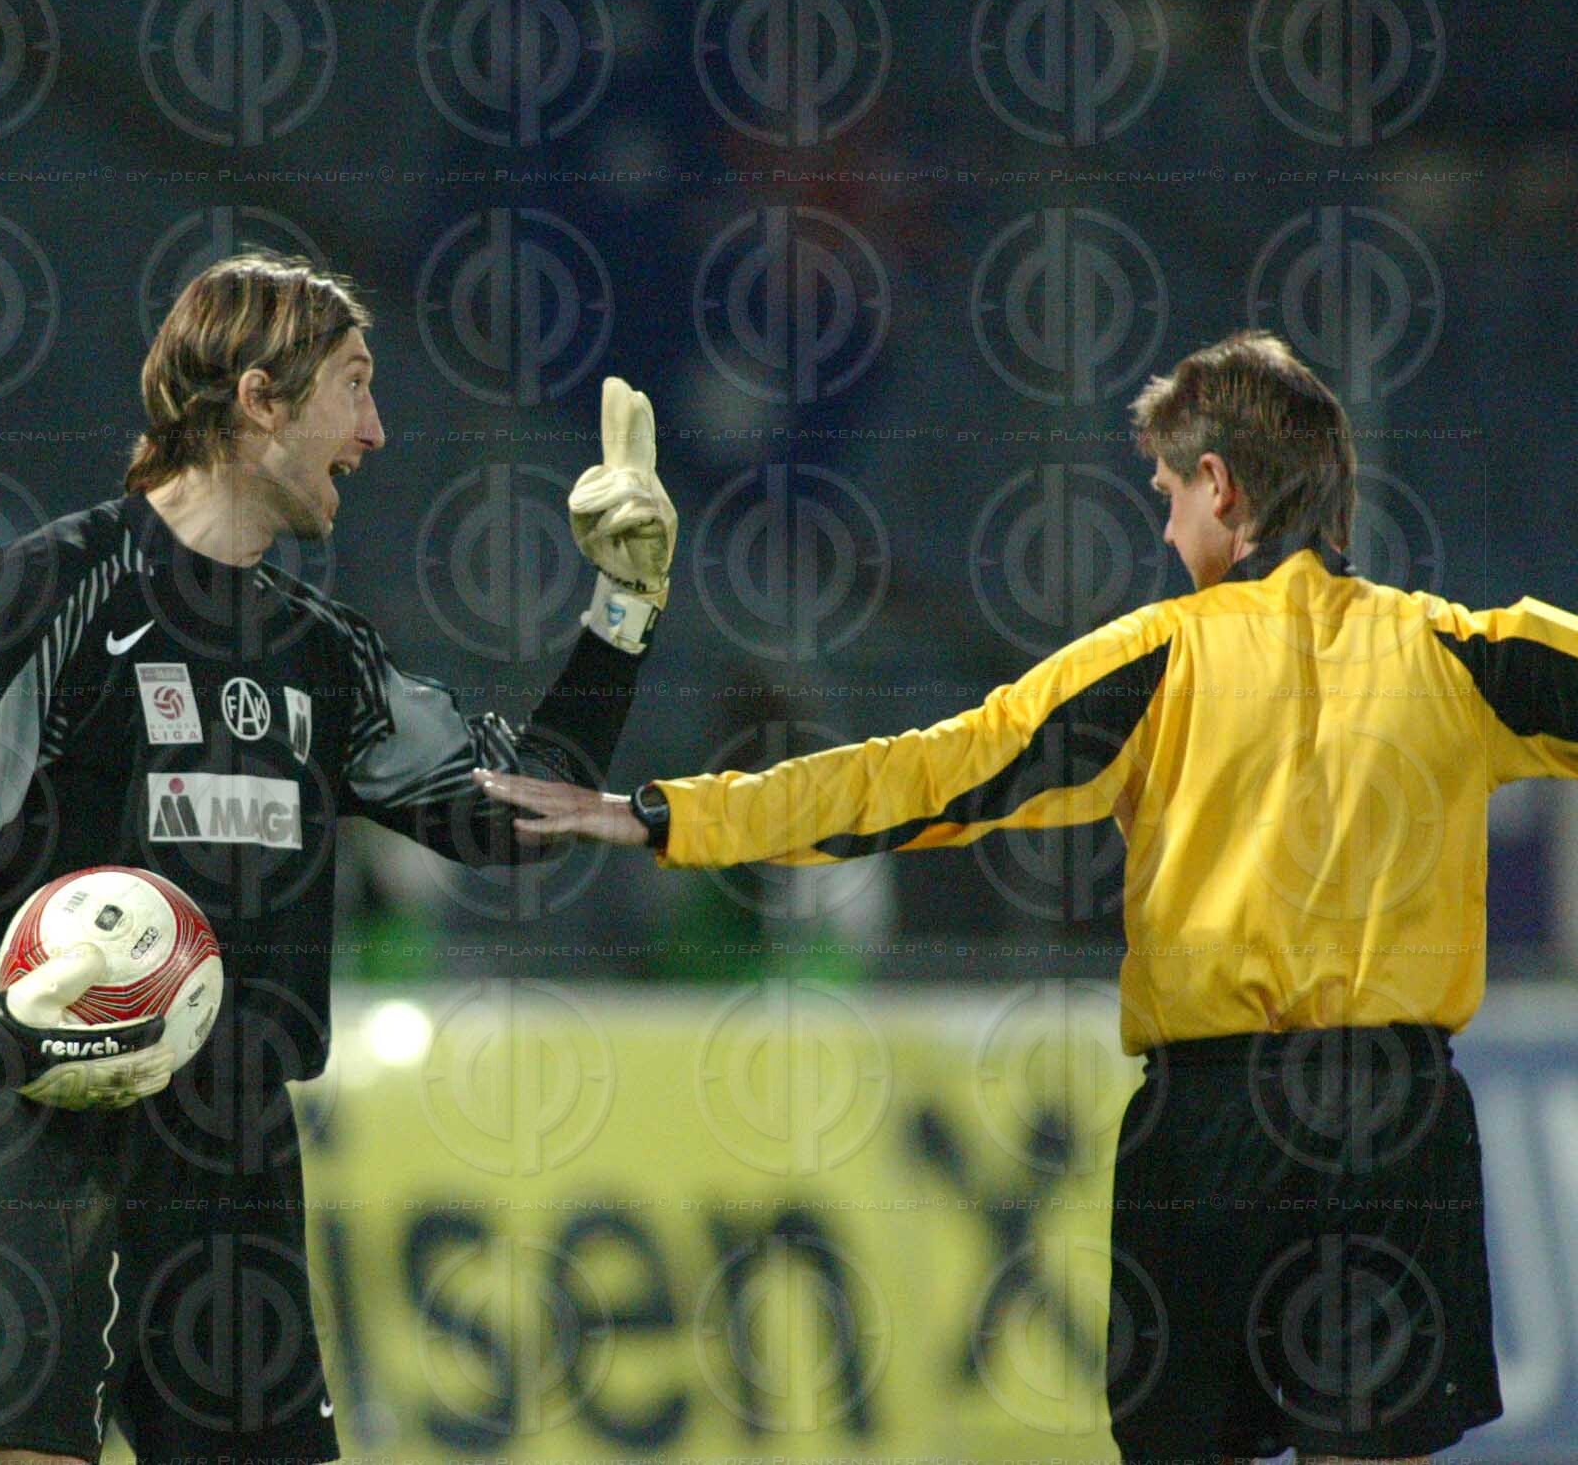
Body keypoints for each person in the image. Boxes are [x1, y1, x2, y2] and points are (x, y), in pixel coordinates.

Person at [479, 330, 1578, 1464]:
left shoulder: (1155, 659)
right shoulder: (1465, 655)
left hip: (1210, 1126)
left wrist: (671, 813)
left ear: (1219, 485)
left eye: (1167, 491)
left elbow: (925, 773)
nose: (1162, 526)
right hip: (1391, 1118)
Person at [0, 250, 675, 1465]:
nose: (376, 430)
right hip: (62, 1141)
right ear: (258, 399)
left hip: (243, 1170)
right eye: (353, 384)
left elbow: (512, 813)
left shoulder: (321, 651)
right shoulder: (60, 589)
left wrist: (621, 613)